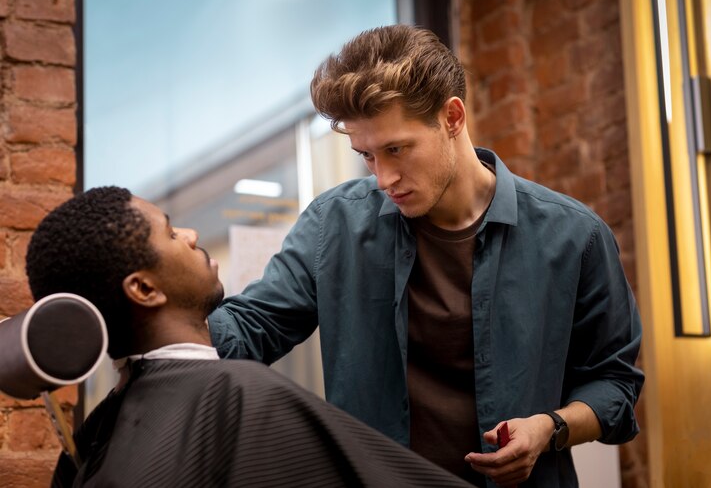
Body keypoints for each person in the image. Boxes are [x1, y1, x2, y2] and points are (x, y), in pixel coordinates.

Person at [208, 24, 644, 487]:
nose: (383, 178)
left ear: (452, 117)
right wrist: (167, 293)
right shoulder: (332, 226)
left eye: (397, 149)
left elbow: (614, 384)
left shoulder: (575, 236)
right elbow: (250, 331)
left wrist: (549, 428)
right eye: (367, 155)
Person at [25, 186, 474, 488]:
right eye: (169, 231)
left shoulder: (87, 442)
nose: (191, 234)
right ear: (144, 289)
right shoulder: (240, 395)